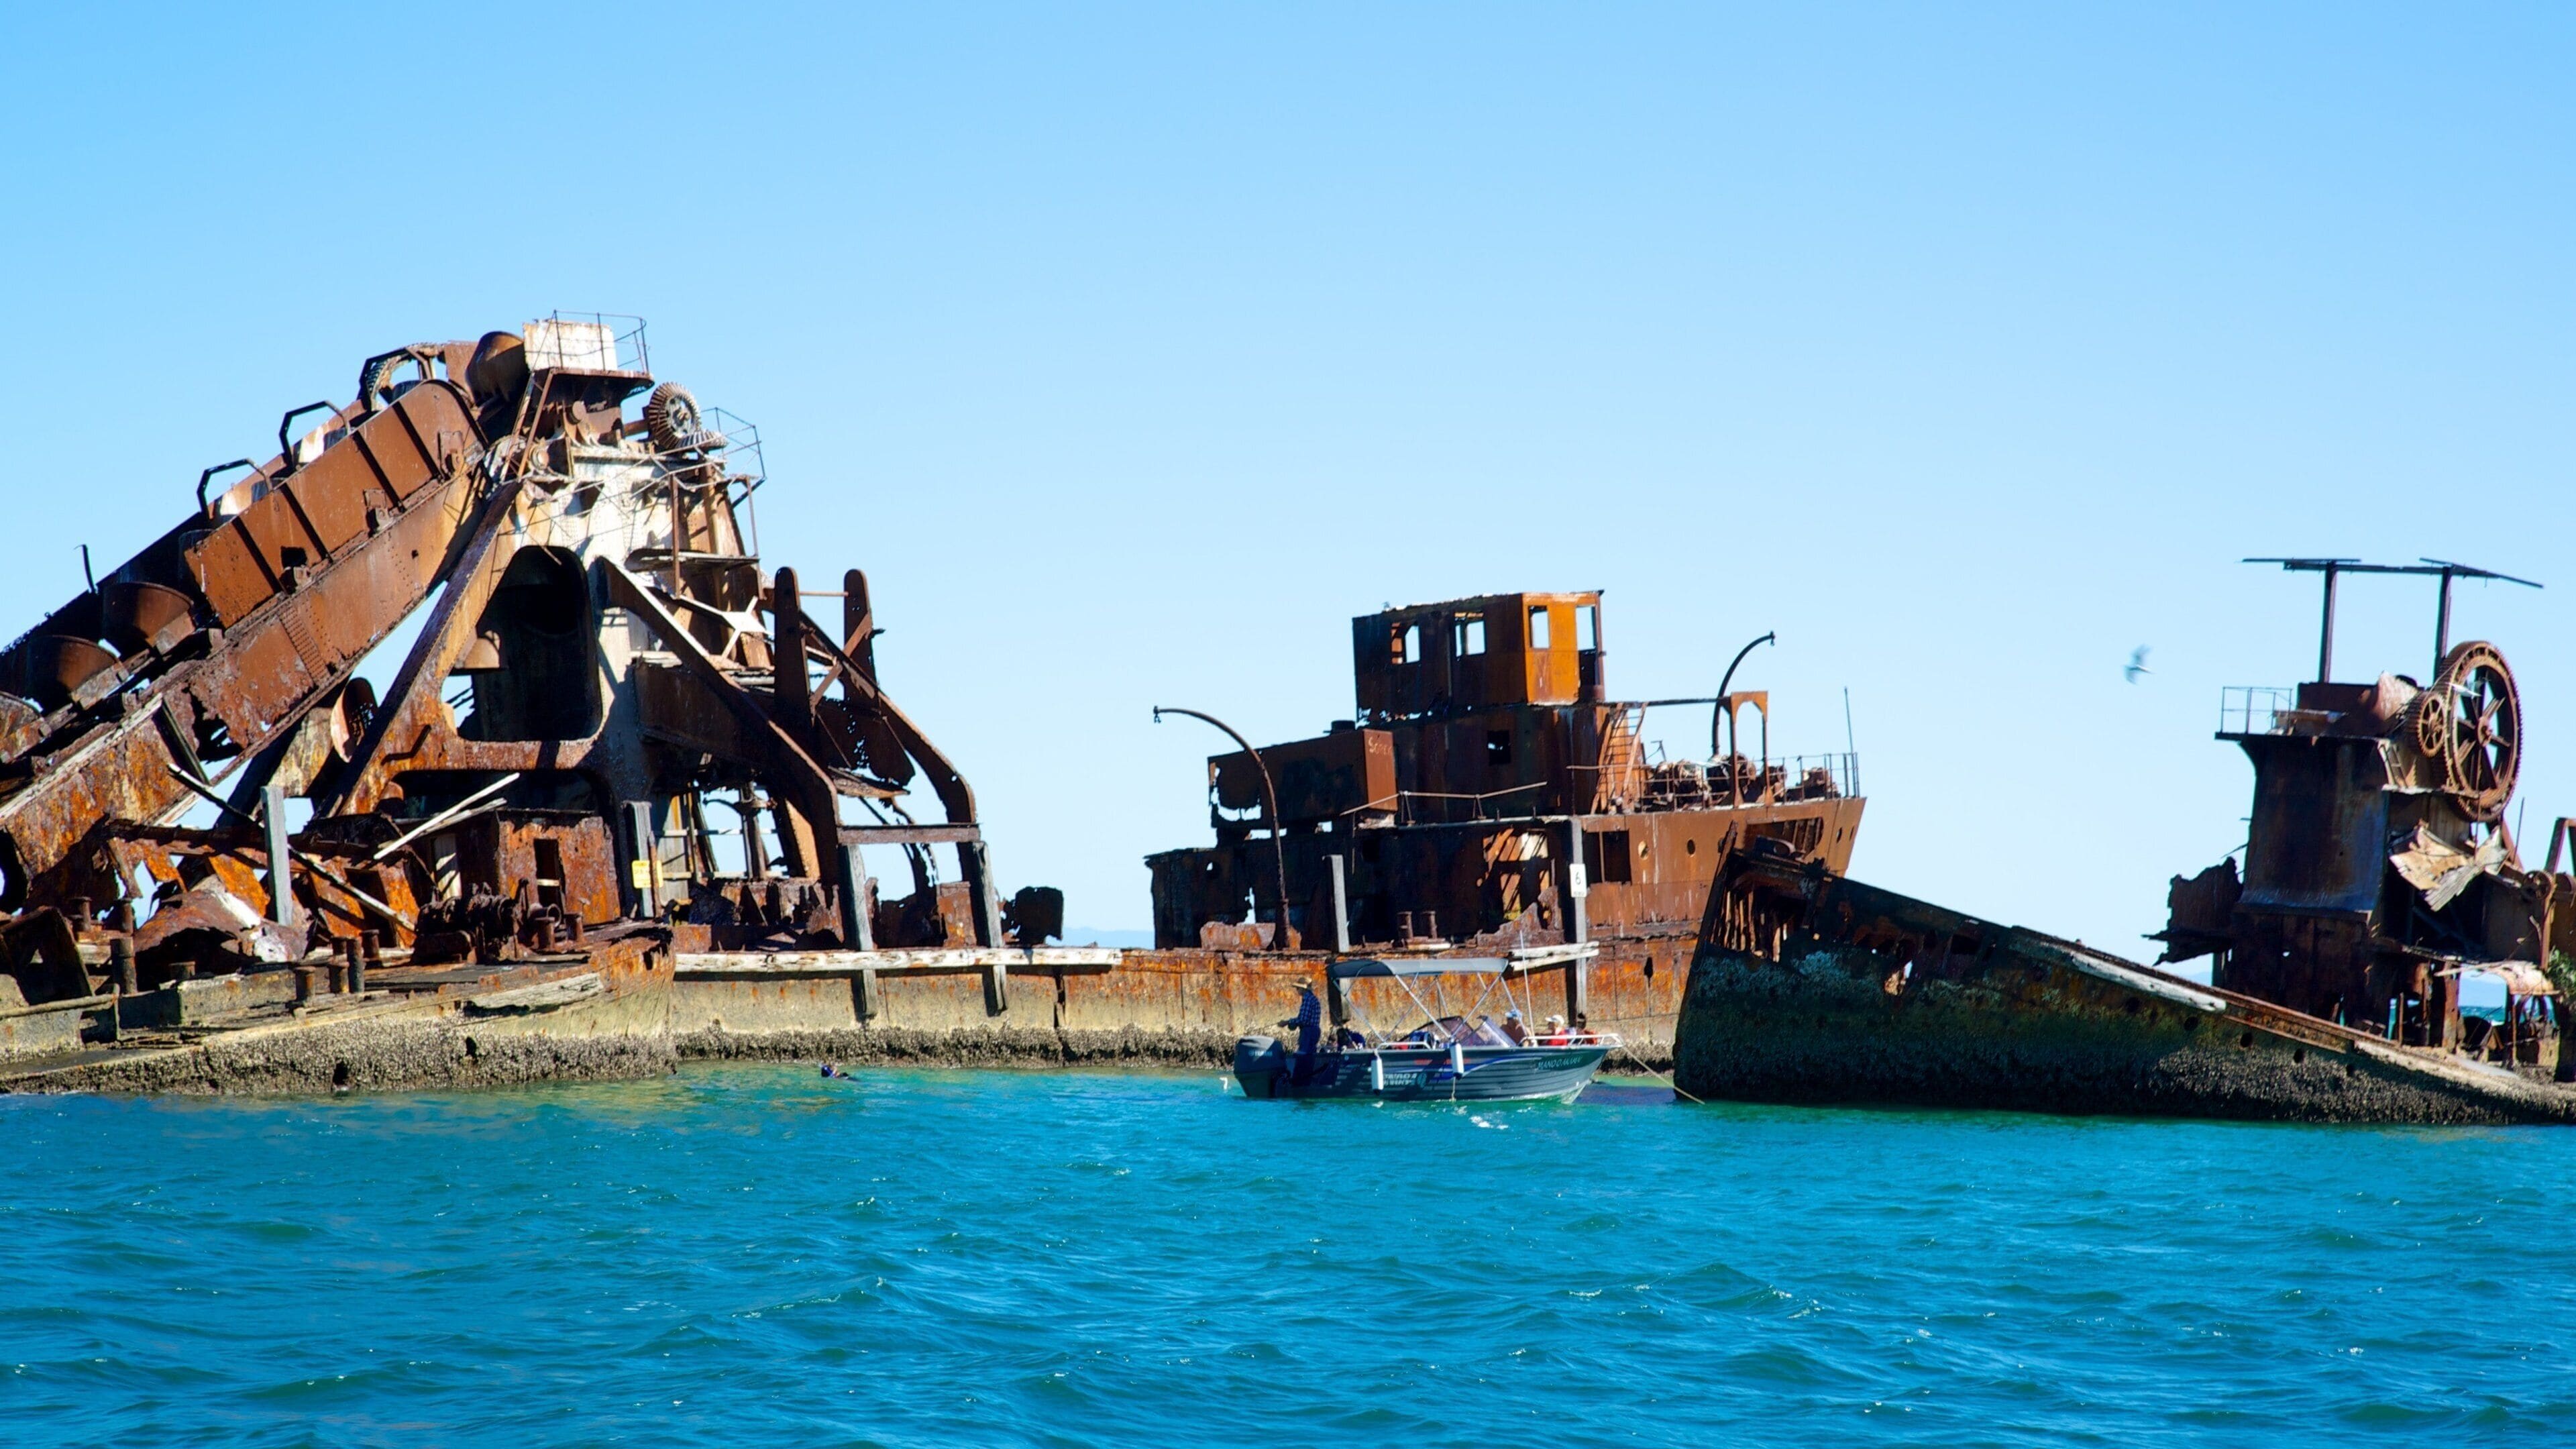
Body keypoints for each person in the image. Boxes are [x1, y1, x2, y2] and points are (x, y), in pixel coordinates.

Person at [1277, 979, 1324, 1086]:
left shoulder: (1308, 999)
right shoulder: (1313, 999)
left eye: (1297, 988)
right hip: (1313, 1031)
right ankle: (1307, 1081)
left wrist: (1287, 1022)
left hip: (1309, 1032)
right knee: (1309, 1057)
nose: (1297, 990)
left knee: (1303, 1057)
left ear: (1303, 989)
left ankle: (1300, 1083)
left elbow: (1303, 1020)